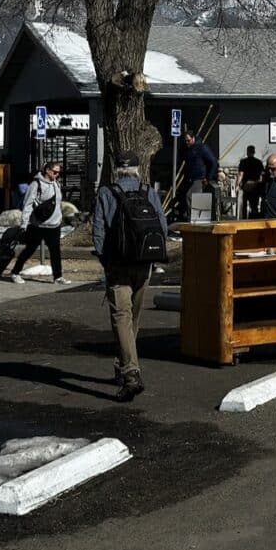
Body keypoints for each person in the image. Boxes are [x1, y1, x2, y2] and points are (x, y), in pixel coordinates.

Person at [91, 152, 168, 402]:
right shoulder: (149, 192)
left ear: (117, 170)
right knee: (133, 318)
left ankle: (131, 374)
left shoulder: (106, 193)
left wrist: (106, 262)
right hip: (144, 265)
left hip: (118, 265)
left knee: (121, 317)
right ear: (137, 169)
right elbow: (162, 228)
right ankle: (122, 365)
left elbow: (99, 233)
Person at [10, 162, 67, 283]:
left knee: (55, 252)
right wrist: (24, 223)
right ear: (47, 170)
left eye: (58, 172)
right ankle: (15, 272)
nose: (57, 174)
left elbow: (57, 203)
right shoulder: (36, 184)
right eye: (55, 172)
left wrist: (60, 218)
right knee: (29, 249)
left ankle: (58, 276)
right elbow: (28, 204)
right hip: (38, 225)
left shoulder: (56, 183)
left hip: (54, 225)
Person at [236, 146, 266, 218]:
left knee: (244, 205)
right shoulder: (258, 162)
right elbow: (263, 175)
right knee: (254, 206)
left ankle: (244, 220)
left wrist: (237, 185)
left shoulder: (243, 162)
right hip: (255, 186)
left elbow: (241, 174)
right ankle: (253, 220)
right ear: (254, 152)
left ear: (247, 152)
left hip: (245, 186)